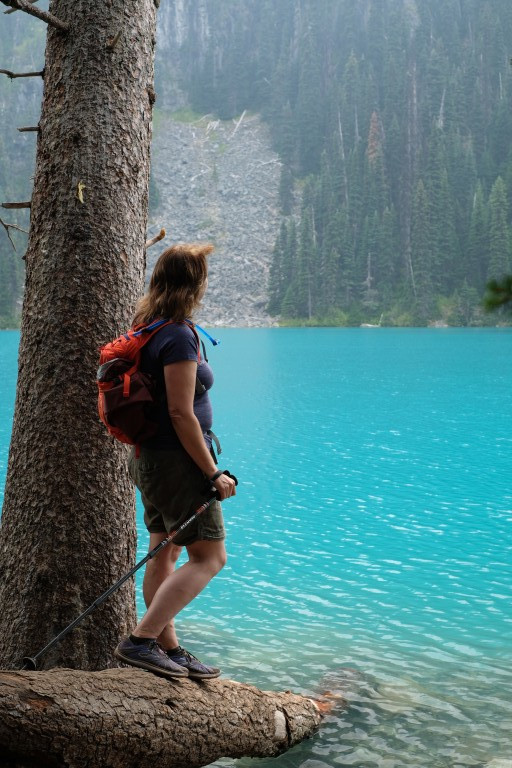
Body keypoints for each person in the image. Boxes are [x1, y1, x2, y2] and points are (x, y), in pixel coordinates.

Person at [114, 242, 236, 680]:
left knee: (163, 555)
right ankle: (141, 640)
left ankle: (168, 648)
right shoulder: (179, 336)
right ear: (194, 283)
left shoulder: (147, 325)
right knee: (209, 557)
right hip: (177, 464)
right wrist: (212, 471)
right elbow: (181, 413)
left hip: (148, 459)